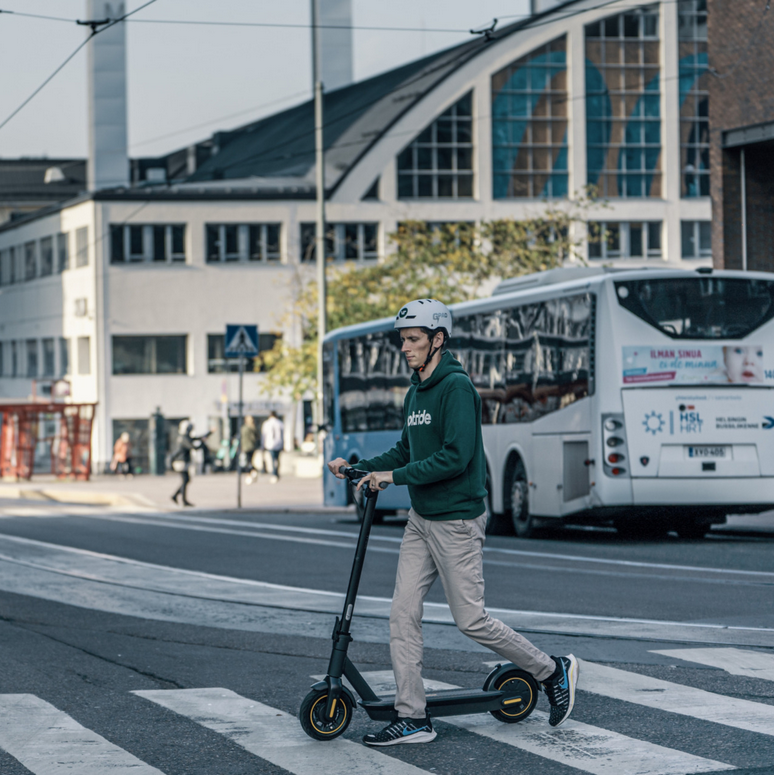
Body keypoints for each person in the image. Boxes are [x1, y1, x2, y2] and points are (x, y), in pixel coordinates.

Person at [328, 298, 578, 747]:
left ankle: (550, 669)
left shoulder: (455, 388)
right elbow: (407, 450)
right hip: (422, 519)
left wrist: (394, 477)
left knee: (471, 620)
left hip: (457, 521)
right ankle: (413, 718)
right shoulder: (417, 389)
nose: (405, 347)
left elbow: (455, 457)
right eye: (402, 340)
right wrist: (362, 468)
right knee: (402, 615)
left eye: (413, 340)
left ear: (437, 340)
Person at [171, 421, 209, 507]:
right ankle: (182, 499)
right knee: (185, 480)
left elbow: (197, 438)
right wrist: (202, 443)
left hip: (183, 461)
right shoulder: (184, 438)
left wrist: (209, 433)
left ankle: (176, 496)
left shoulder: (185, 437)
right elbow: (194, 447)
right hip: (181, 462)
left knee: (186, 480)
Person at [261, 411, 284, 483]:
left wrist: (263, 445)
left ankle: (274, 473)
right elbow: (283, 435)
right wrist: (283, 444)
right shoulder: (280, 423)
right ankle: (276, 472)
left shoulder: (266, 424)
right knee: (277, 459)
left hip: (270, 444)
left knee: (272, 459)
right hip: (278, 444)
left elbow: (264, 435)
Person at [241, 416, 259, 484]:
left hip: (246, 447)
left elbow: (242, 438)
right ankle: (253, 472)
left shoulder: (244, 428)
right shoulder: (253, 428)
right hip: (251, 446)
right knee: (250, 461)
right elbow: (255, 438)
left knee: (248, 461)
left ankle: (249, 474)